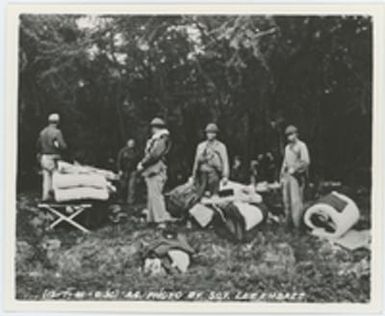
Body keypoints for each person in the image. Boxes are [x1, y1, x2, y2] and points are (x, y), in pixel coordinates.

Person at [137, 118, 172, 228]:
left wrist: (143, 164)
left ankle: (161, 220)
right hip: (152, 169)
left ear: (156, 128)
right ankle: (152, 219)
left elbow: (155, 155)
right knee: (152, 194)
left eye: (153, 127)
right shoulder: (158, 138)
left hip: (156, 168)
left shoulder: (161, 139)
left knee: (156, 195)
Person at [280, 125, 310, 229]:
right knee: (286, 200)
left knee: (296, 202)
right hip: (287, 176)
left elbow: (305, 161)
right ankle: (288, 224)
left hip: (297, 177)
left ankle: (298, 226)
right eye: (288, 135)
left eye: (292, 134)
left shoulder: (301, 146)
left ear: (296, 134)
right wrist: (282, 176)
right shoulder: (287, 148)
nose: (290, 137)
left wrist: (295, 168)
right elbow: (284, 162)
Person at [191, 123, 229, 198]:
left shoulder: (221, 146)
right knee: (199, 195)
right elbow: (196, 162)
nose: (210, 135)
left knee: (214, 195)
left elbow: (225, 161)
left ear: (216, 134)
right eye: (208, 132)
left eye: (212, 132)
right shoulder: (201, 146)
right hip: (202, 174)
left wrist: (225, 176)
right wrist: (193, 176)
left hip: (214, 173)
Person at [36, 113, 67, 201]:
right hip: (54, 157)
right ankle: (56, 198)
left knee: (46, 178)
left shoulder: (42, 132)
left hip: (44, 157)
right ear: (57, 122)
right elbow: (62, 146)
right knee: (56, 178)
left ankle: (45, 198)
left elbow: (38, 145)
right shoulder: (57, 132)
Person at [117, 138, 139, 204]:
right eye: (130, 143)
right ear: (127, 143)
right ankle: (121, 199)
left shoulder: (136, 151)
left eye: (133, 143)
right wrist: (119, 170)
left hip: (133, 170)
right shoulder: (123, 151)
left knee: (132, 186)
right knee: (123, 186)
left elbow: (138, 161)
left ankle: (130, 201)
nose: (132, 144)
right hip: (124, 170)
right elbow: (119, 161)